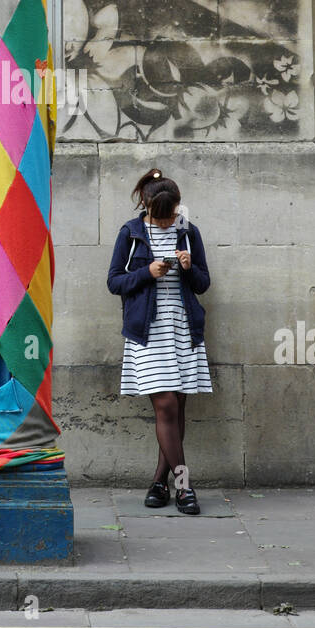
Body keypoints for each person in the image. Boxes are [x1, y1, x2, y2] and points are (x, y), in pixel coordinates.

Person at [106, 166, 211, 515]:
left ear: (179, 207)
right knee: (165, 405)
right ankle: (183, 486)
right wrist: (146, 273)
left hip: (182, 327)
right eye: (161, 217)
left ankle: (157, 483)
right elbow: (114, 282)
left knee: (177, 407)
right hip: (147, 331)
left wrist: (186, 266)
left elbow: (202, 283)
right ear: (147, 206)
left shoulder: (188, 233)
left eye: (172, 216)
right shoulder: (131, 233)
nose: (167, 223)